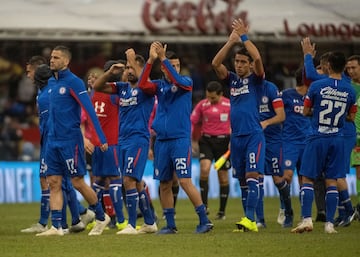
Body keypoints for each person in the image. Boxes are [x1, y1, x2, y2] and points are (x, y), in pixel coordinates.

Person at [138, 41, 213, 234]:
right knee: (164, 183)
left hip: (179, 140)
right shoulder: (159, 86)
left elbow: (177, 80)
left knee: (185, 180)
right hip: (161, 141)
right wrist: (151, 60)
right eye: (173, 65)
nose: (176, 69)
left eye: (178, 65)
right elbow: (142, 85)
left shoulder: (186, 83)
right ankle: (170, 225)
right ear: (163, 69)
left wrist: (163, 58)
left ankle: (204, 220)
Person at [36, 45, 110, 236]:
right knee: (53, 181)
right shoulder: (51, 84)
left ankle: (101, 217)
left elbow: (89, 110)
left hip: (70, 141)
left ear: (66, 61)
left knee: (77, 182)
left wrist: (100, 137)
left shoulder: (74, 82)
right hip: (52, 141)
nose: (51, 60)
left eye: (56, 57)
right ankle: (57, 227)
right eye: (51, 57)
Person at [291, 51, 357, 234]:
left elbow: (305, 111)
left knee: (308, 178)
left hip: (317, 136)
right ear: (344, 67)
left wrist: (316, 113)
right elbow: (352, 116)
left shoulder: (316, 86)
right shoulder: (350, 89)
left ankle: (306, 220)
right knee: (332, 181)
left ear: (328, 66)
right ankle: (329, 224)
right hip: (337, 139)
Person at [93, 49, 158, 235]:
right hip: (122, 140)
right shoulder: (122, 88)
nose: (129, 70)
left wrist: (133, 58)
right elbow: (97, 86)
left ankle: (130, 224)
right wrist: (110, 72)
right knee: (136, 183)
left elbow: (142, 78)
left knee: (128, 180)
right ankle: (150, 222)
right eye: (127, 68)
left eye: (132, 67)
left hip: (138, 139)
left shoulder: (147, 88)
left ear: (142, 69)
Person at [212, 18, 265, 232]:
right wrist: (230, 42)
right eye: (237, 62)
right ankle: (247, 220)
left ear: (250, 65)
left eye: (244, 62)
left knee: (252, 176)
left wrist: (244, 36)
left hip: (253, 135)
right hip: (237, 138)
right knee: (243, 180)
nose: (240, 65)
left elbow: (258, 57)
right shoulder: (232, 80)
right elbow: (215, 64)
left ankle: (252, 219)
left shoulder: (257, 80)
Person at [84, 61, 128, 231]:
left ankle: (92, 215)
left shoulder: (94, 94)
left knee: (99, 181)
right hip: (112, 143)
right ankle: (122, 221)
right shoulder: (116, 96)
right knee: (115, 180)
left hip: (96, 143)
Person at [190, 80, 231, 220]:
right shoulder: (202, 105)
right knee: (205, 169)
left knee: (223, 177)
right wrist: (191, 140)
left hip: (224, 142)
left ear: (221, 94)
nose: (210, 100)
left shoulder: (229, 105)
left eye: (213, 97)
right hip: (206, 140)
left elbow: (236, 123)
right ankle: (204, 206)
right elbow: (192, 121)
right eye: (208, 96)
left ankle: (221, 211)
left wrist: (233, 140)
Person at [256, 80, 293, 228]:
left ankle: (288, 212)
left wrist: (266, 123)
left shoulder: (270, 88)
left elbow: (281, 116)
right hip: (255, 139)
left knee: (278, 179)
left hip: (273, 140)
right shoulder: (245, 89)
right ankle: (259, 220)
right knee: (256, 176)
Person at [347, 55, 360, 218]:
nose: (350, 71)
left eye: (353, 68)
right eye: (348, 68)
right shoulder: (348, 88)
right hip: (356, 135)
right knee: (359, 171)